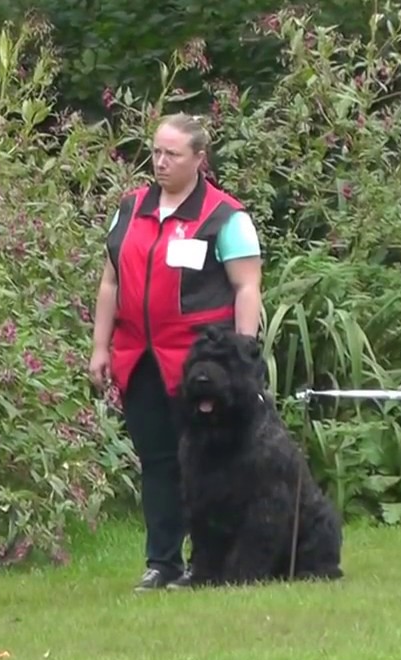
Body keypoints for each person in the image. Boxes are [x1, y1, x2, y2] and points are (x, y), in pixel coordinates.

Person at [88, 112, 264, 592]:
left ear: (199, 159)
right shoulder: (130, 209)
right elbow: (110, 283)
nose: (160, 162)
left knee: (209, 464)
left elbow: (247, 288)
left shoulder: (227, 217)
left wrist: (243, 355)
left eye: (172, 154)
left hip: (202, 366)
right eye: (156, 152)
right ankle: (161, 561)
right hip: (139, 358)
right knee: (158, 462)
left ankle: (207, 562)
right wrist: (100, 346)